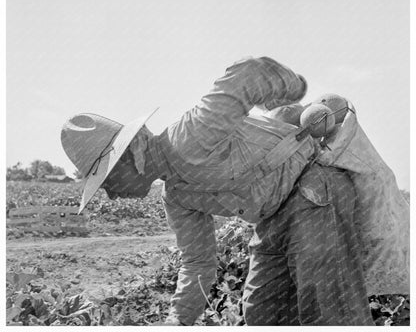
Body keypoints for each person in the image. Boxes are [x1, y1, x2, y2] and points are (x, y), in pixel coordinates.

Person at [61, 57, 403, 325]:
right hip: (272, 220)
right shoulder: (177, 198)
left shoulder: (190, 136)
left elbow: (248, 74)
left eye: (106, 180)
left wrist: (294, 89)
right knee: (261, 314)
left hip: (314, 192)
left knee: (325, 307)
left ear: (132, 154)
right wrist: (177, 319)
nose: (110, 194)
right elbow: (197, 262)